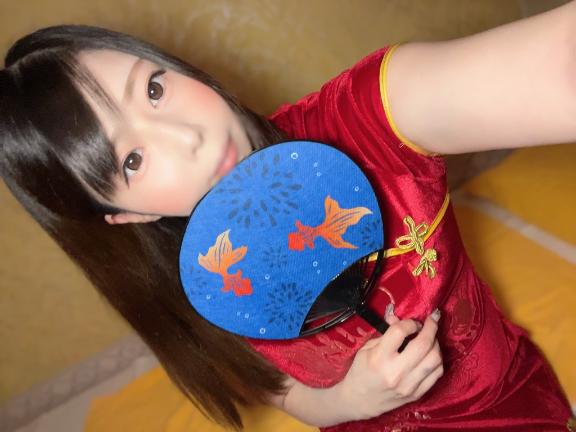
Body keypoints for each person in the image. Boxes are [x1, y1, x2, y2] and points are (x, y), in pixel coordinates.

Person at [1, 2, 575, 430]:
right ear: (123, 215)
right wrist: (347, 401)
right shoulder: (198, 287)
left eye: (153, 89)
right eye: (132, 159)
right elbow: (276, 388)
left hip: (509, 401)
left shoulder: (362, 126)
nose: (187, 135)